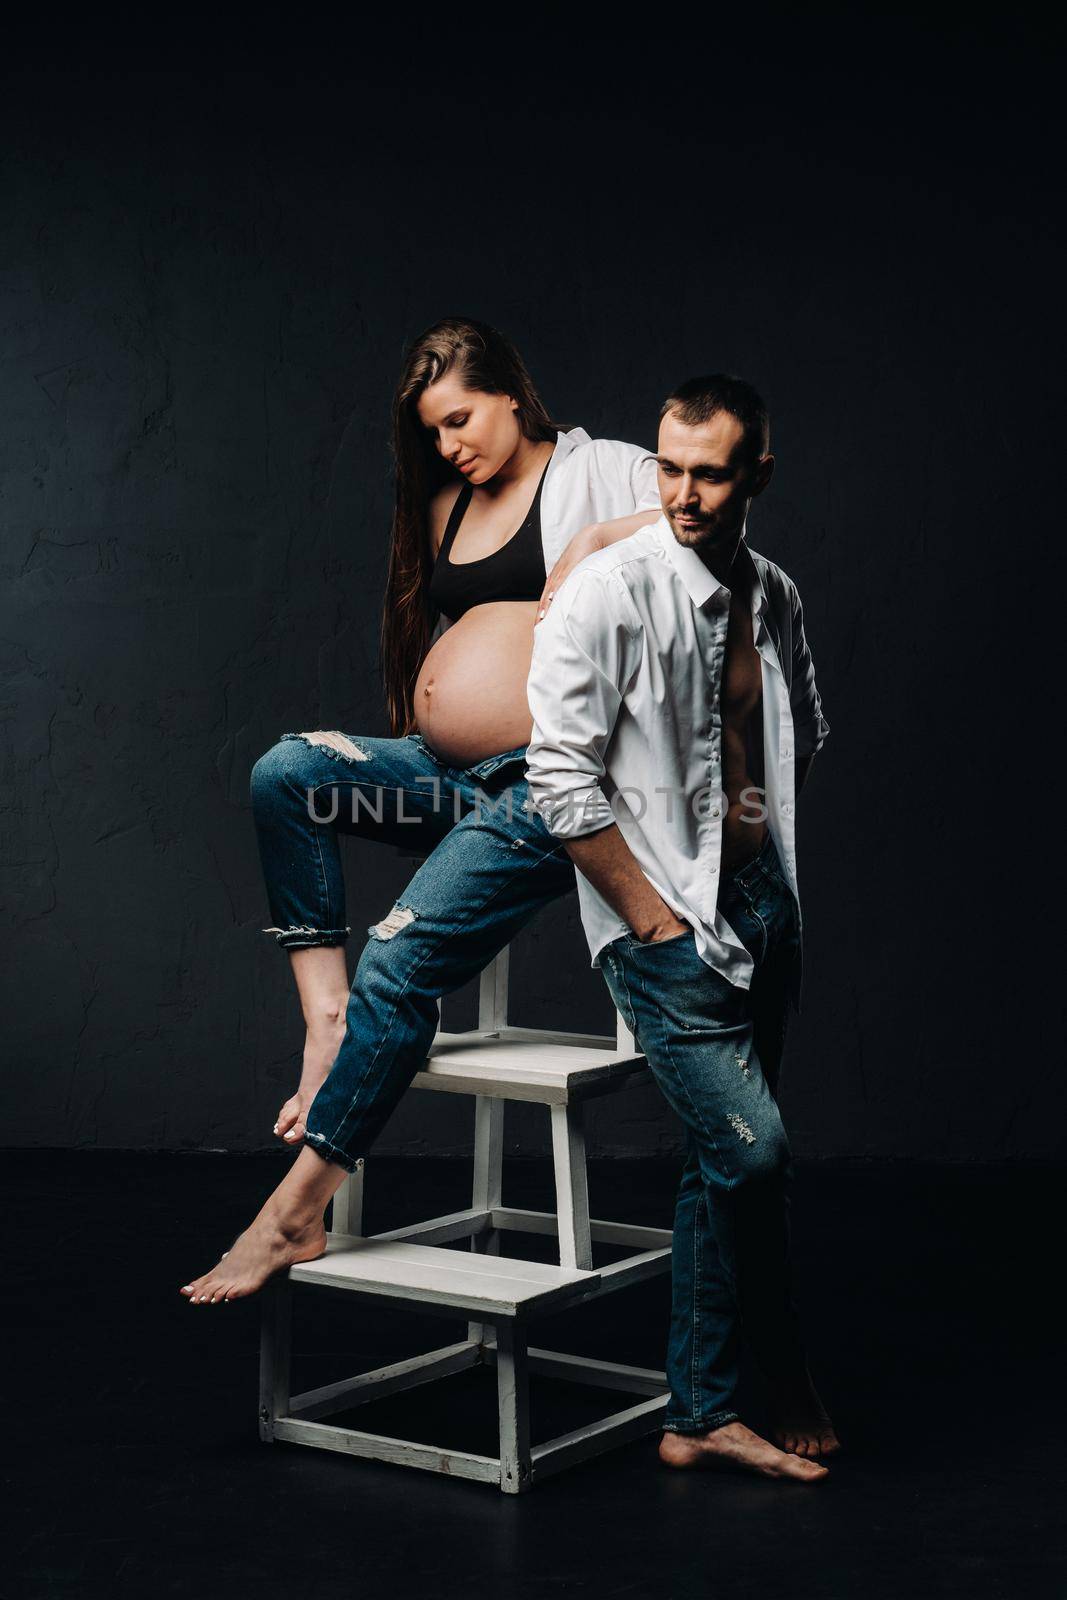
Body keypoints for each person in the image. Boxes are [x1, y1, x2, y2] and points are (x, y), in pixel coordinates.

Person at [179, 317, 660, 1304]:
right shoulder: (445, 503)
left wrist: (610, 533)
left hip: (552, 783)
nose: (449, 446)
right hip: (454, 776)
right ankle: (327, 1024)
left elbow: (718, 505)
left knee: (401, 953)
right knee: (286, 769)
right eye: (432, 431)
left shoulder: (600, 472)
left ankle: (294, 1211)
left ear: (513, 395)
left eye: (460, 419)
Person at [524, 373, 839, 1483]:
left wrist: (760, 863)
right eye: (666, 466)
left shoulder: (777, 593)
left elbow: (793, 734)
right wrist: (652, 917)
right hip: (659, 923)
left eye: (708, 471)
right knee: (752, 1151)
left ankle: (700, 1409)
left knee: (721, 1164)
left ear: (756, 471)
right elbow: (556, 781)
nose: (683, 493)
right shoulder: (610, 591)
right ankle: (771, 1365)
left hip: (761, 908)